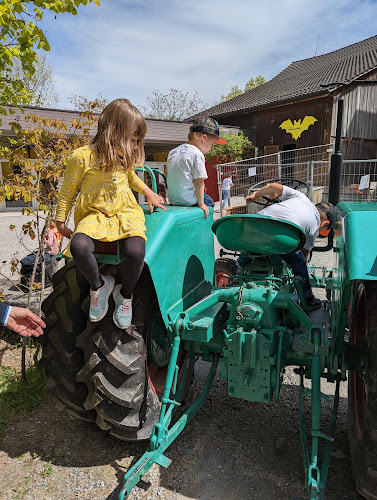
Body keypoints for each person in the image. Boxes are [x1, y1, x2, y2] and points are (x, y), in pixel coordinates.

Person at [56, 98, 165, 330]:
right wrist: (59, 222)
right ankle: (99, 286)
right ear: (114, 132)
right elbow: (67, 192)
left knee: (136, 251)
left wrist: (149, 192)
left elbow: (131, 177)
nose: (136, 146)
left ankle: (125, 295)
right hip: (95, 215)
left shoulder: (122, 158)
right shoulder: (81, 157)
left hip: (125, 213)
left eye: (138, 141)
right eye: (133, 140)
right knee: (79, 247)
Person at [245, 182, 334, 311]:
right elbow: (304, 255)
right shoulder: (315, 227)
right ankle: (308, 300)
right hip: (279, 237)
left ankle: (239, 272)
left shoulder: (301, 197)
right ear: (325, 223)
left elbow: (273, 186)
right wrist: (298, 270)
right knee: (299, 263)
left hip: (252, 225)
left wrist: (254, 196)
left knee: (246, 252)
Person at [167, 117, 227, 218]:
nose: (211, 149)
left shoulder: (173, 152)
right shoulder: (196, 154)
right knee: (210, 203)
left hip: (173, 200)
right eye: (212, 144)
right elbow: (199, 182)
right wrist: (201, 204)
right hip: (188, 201)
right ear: (203, 137)